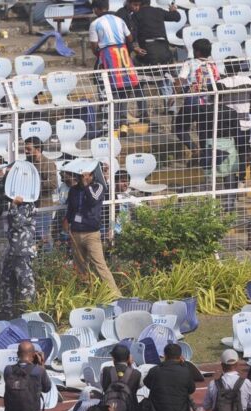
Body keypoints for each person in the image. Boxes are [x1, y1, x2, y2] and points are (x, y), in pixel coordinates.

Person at [63, 167, 121, 296]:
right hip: (76, 233)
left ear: (92, 174)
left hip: (91, 234)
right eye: (81, 174)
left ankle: (116, 295)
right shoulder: (73, 190)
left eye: (86, 174)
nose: (83, 176)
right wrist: (67, 219)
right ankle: (88, 294)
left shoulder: (98, 187)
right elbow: (71, 209)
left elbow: (93, 200)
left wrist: (85, 185)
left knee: (100, 265)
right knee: (81, 268)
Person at [89, 0, 142, 137]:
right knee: (125, 89)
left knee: (111, 91)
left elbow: (94, 47)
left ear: (96, 9)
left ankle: (113, 127)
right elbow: (129, 37)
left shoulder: (95, 24)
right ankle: (123, 124)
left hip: (108, 56)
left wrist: (102, 54)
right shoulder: (119, 19)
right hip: (123, 54)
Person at [143, 343, 195, 411]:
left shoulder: (155, 371)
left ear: (165, 356)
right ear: (180, 357)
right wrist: (183, 365)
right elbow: (191, 389)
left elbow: (147, 383)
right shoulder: (185, 371)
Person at [175, 38, 219, 164]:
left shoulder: (190, 63)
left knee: (180, 128)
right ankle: (205, 158)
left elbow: (181, 80)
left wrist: (174, 95)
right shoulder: (213, 65)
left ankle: (194, 149)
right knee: (203, 132)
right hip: (209, 103)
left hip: (192, 101)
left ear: (197, 52)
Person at [3, 340, 52, 411]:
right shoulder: (38, 371)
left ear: (17, 354)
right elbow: (47, 388)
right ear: (34, 354)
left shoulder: (8, 370)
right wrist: (41, 364)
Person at [126, 0, 179, 98]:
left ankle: (143, 109)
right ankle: (171, 105)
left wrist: (135, 47)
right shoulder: (158, 11)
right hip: (164, 53)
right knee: (164, 76)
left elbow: (132, 35)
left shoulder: (135, 15)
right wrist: (173, 10)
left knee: (137, 77)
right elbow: (176, 17)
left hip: (146, 54)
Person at [0, 195, 36, 320]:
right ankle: (7, 312)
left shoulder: (27, 205)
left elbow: (17, 222)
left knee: (25, 284)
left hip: (22, 252)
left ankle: (28, 314)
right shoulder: (18, 205)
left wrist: (14, 206)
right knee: (7, 282)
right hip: (13, 250)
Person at [100, 344, 142, 411]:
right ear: (128, 358)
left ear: (113, 358)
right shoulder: (136, 374)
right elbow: (140, 386)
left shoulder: (105, 371)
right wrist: (130, 365)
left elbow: (104, 386)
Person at [23, 138, 57, 250]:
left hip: (43, 207)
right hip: (28, 207)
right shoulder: (26, 164)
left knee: (43, 237)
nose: (26, 151)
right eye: (25, 149)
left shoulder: (48, 163)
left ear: (38, 149)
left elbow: (53, 184)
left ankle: (49, 263)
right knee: (31, 238)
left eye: (29, 149)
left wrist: (35, 184)